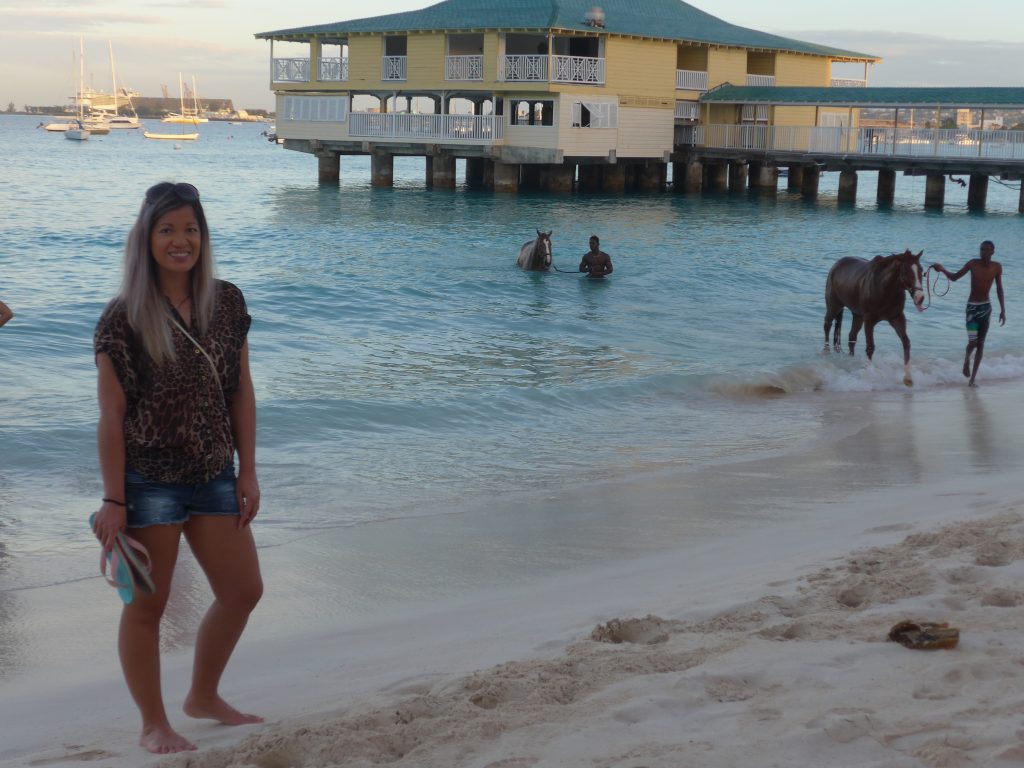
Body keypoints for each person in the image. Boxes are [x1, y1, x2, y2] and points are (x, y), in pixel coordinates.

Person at [91, 181, 263, 754]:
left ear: (203, 236)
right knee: (146, 608)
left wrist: (248, 471)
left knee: (243, 591)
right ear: (146, 238)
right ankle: (153, 724)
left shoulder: (227, 301)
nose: (180, 240)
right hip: (146, 483)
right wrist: (114, 502)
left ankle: (203, 697)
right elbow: (111, 417)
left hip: (215, 472)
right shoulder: (122, 318)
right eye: (167, 230)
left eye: (190, 229)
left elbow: (241, 392)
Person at [931, 240, 1006, 387]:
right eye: (981, 249)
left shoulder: (997, 267)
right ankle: (966, 361)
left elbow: (999, 289)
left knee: (981, 343)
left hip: (986, 308)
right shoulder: (972, 264)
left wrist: (1003, 310)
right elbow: (954, 277)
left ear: (992, 252)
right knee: (973, 342)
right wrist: (941, 269)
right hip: (972, 308)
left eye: (986, 250)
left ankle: (972, 380)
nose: (983, 252)